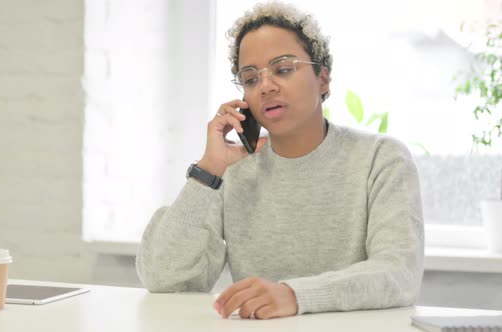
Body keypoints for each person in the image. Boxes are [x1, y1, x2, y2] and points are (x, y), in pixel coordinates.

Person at [136, 1, 424, 320]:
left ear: (323, 79)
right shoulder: (232, 172)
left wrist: (294, 295)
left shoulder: (380, 159)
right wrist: (207, 171)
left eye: (283, 69)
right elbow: (164, 279)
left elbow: (399, 274)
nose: (266, 86)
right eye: (250, 78)